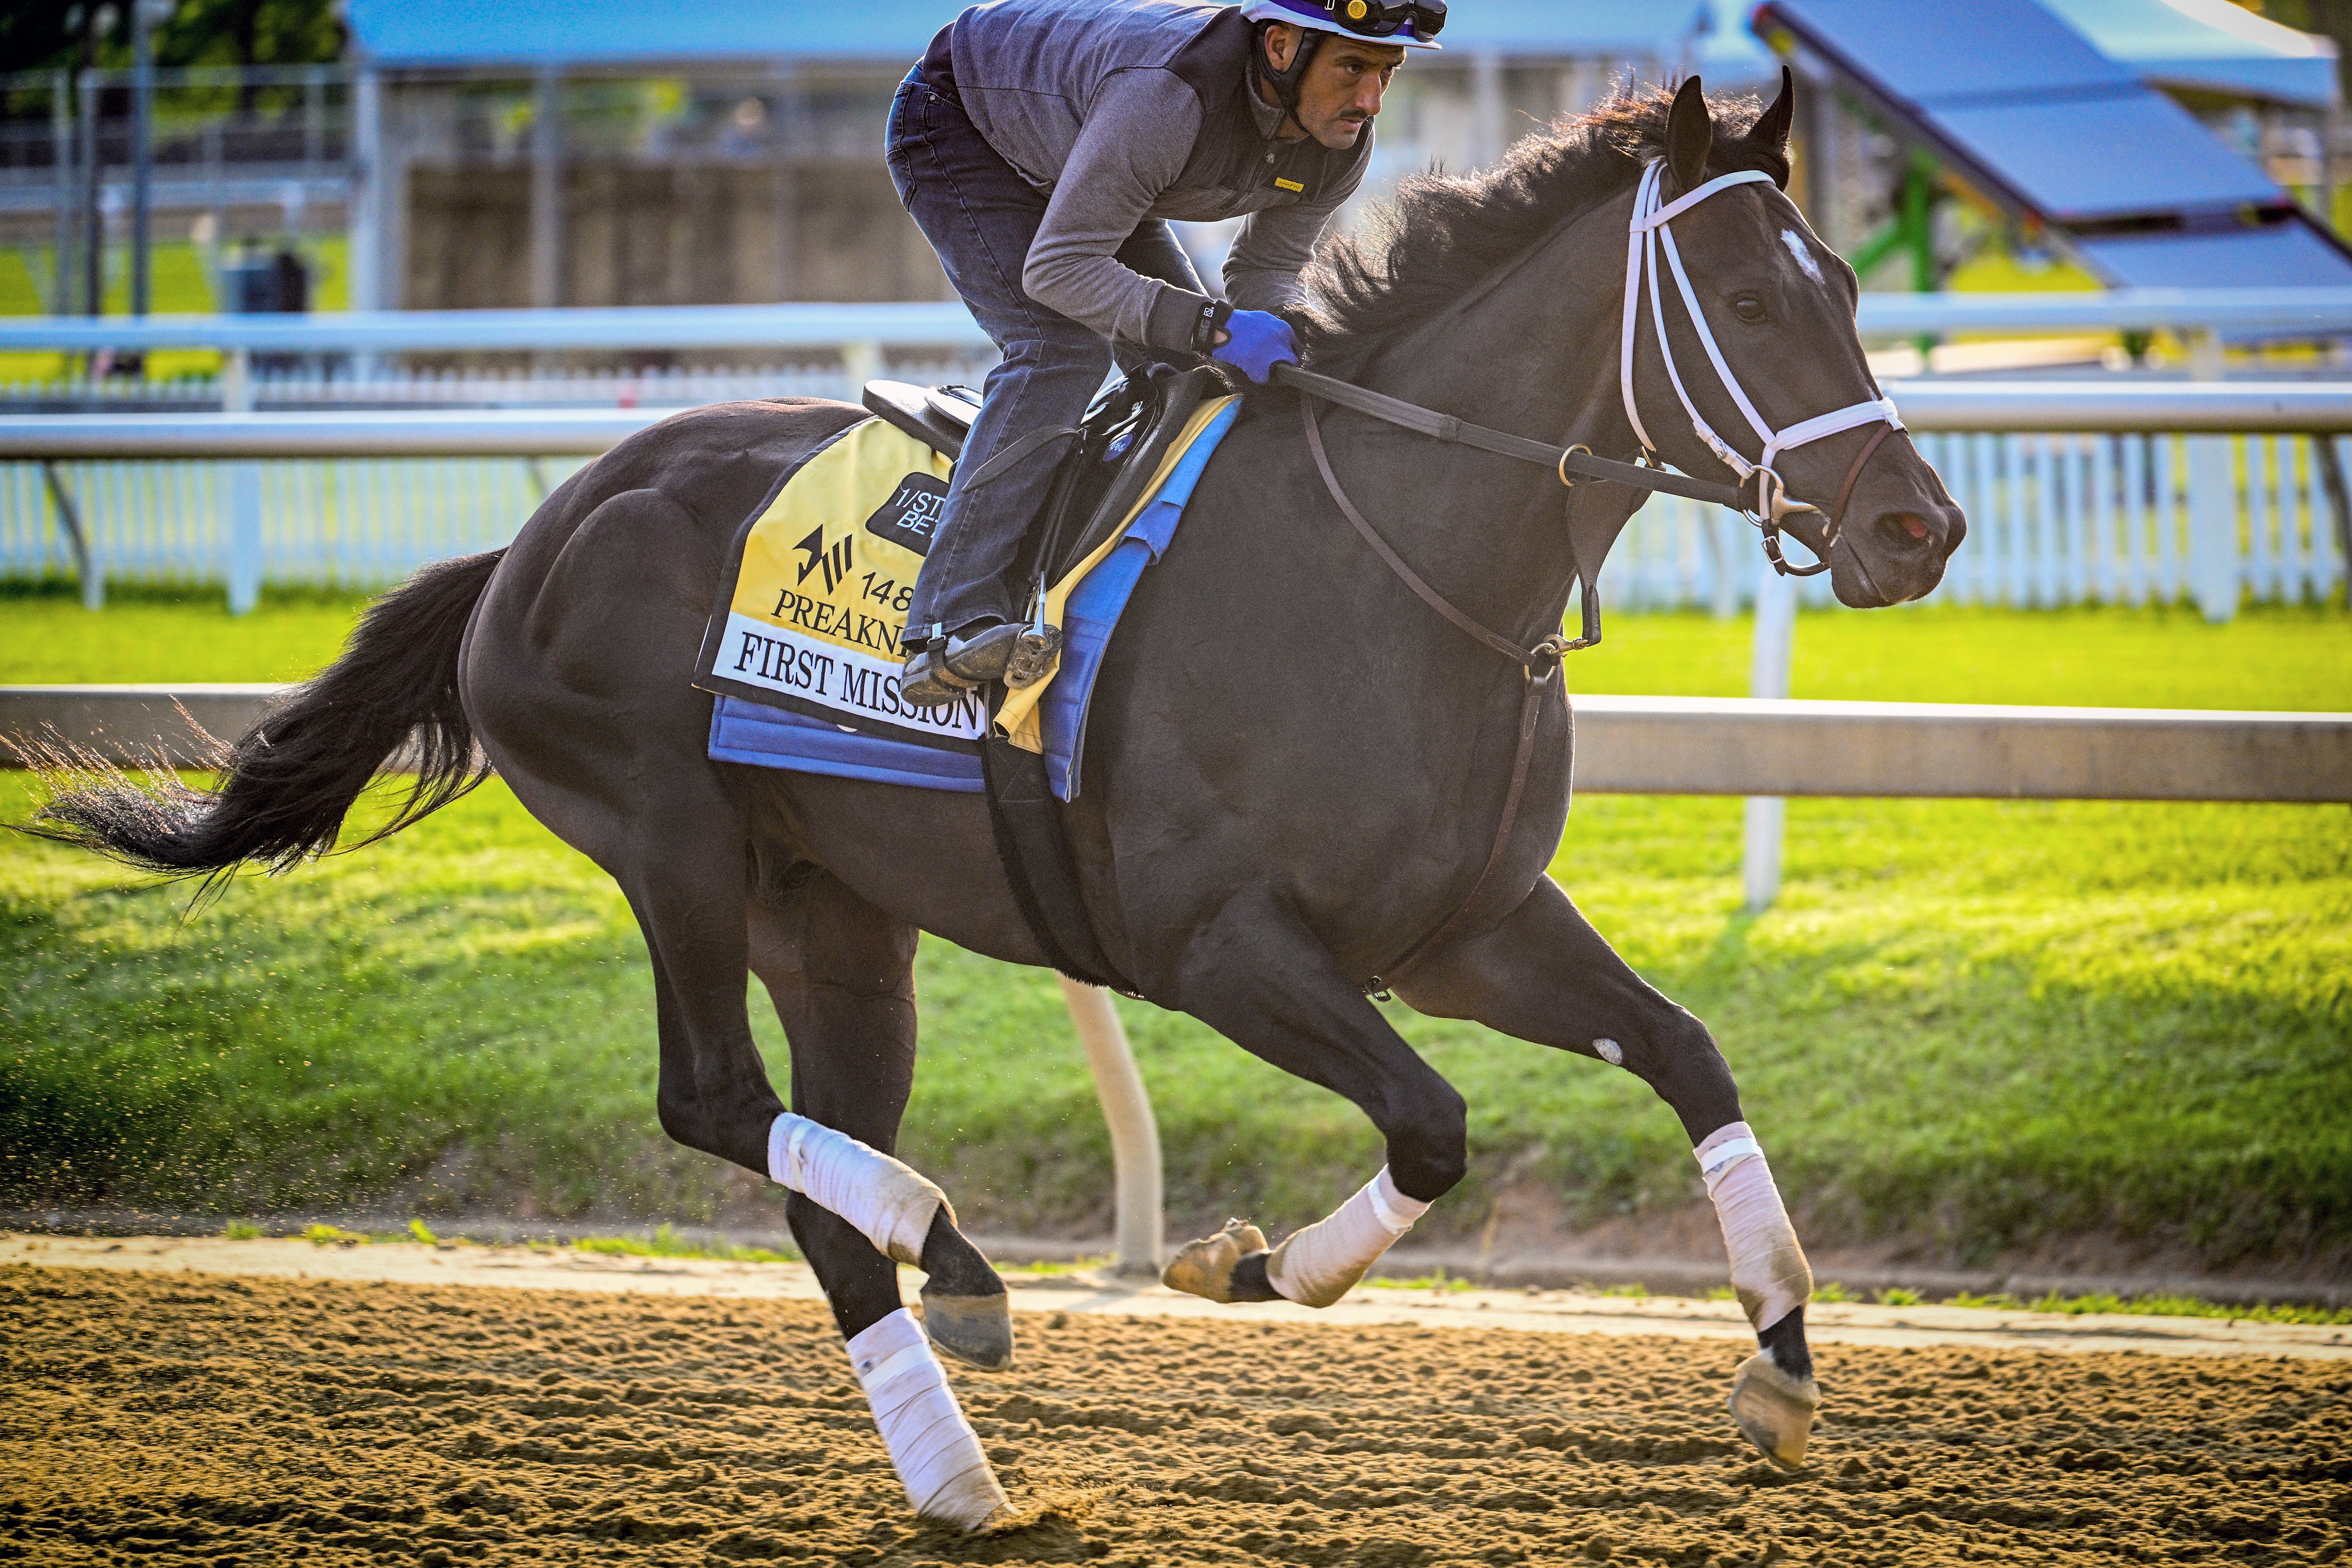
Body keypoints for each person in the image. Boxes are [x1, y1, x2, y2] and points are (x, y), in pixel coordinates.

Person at [888, 0, 1446, 705]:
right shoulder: (1166, 102)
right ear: (1280, 48)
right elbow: (1058, 270)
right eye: (1351, 68)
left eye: (1386, 73)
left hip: (1083, 147)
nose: (1368, 100)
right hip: (959, 124)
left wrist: (1291, 333)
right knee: (1058, 351)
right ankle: (944, 627)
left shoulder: (1339, 143)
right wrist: (1213, 326)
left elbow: (1265, 275)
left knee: (1200, 382)